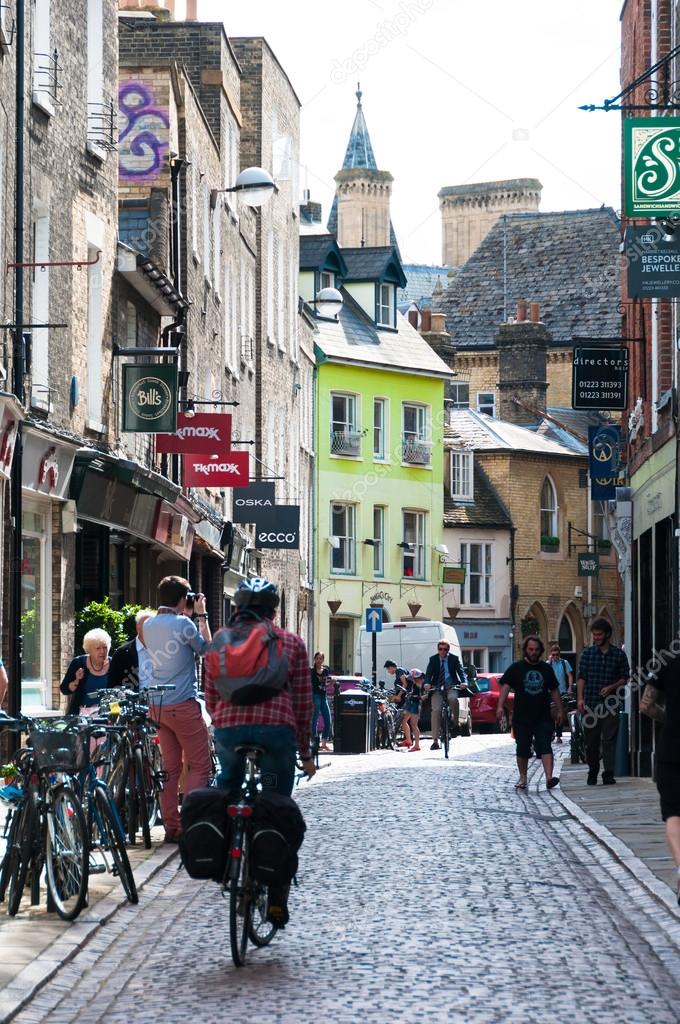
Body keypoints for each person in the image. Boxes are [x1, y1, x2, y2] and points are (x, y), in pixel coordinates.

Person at [204, 577, 314, 928]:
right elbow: (302, 704)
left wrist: (224, 724)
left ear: (236, 607)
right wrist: (306, 753)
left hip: (230, 733)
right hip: (275, 735)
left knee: (227, 790)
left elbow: (210, 698)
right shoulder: (291, 643)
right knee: (276, 805)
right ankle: (277, 896)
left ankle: (226, 863)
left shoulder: (217, 644)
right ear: (273, 611)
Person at [141, 576, 213, 844]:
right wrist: (202, 616)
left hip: (157, 705)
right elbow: (207, 649)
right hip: (183, 703)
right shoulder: (184, 623)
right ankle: (191, 823)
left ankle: (172, 825)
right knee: (200, 766)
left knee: (171, 768)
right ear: (184, 598)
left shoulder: (148, 625)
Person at [496, 635, 563, 790]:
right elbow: (505, 687)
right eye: (530, 649)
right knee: (522, 747)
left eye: (536, 650)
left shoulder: (546, 669)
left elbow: (554, 689)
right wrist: (500, 706)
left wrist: (560, 710)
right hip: (522, 715)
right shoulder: (516, 668)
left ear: (540, 651)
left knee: (545, 745)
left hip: (543, 715)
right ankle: (523, 778)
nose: (533, 652)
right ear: (525, 650)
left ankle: (549, 777)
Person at [640, 657, 680, 906]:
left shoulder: (670, 666)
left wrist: (671, 721)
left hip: (672, 751)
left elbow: (646, 705)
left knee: (674, 814)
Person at [576, 618, 629, 786]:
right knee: (591, 742)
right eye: (594, 635)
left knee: (609, 740)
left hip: (611, 705)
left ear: (607, 634)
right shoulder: (587, 654)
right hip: (591, 703)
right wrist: (580, 698)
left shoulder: (618, 655)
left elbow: (625, 678)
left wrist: (612, 687)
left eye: (599, 634)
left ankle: (608, 774)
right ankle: (593, 771)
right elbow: (582, 677)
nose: (596, 637)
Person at [424, 640, 467, 750]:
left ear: (448, 650)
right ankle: (435, 741)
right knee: (436, 711)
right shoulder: (433, 659)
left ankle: (456, 724)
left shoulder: (454, 659)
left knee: (453, 699)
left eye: (445, 649)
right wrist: (427, 683)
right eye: (440, 649)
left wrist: (464, 682)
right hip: (437, 688)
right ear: (438, 649)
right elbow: (428, 673)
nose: (443, 651)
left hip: (451, 686)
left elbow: (461, 672)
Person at [60, 628, 114, 714]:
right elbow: (64, 689)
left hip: (108, 715)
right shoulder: (78, 663)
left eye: (105, 647)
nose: (102, 651)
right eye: (98, 648)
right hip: (82, 715)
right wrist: (77, 680)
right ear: (89, 650)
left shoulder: (114, 664)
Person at [108, 609, 155, 691]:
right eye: (146, 625)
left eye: (153, 625)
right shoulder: (122, 653)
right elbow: (113, 685)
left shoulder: (162, 648)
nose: (149, 628)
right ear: (138, 627)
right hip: (135, 701)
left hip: (161, 700)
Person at [547, 643, 573, 744]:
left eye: (557, 654)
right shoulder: (548, 664)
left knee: (560, 713)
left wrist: (570, 687)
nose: (555, 657)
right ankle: (551, 732)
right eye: (553, 655)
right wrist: (549, 662)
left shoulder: (564, 663)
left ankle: (558, 735)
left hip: (561, 692)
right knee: (549, 714)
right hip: (549, 692)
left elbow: (569, 675)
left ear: (559, 654)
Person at [384, 661, 413, 747]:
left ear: (391, 667)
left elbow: (404, 684)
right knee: (404, 720)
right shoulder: (399, 672)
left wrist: (399, 696)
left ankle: (408, 740)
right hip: (405, 698)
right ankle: (408, 739)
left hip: (405, 698)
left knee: (403, 720)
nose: (388, 672)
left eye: (388, 669)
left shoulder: (399, 671)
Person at [310, 652, 333, 751]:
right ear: (314, 659)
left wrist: (332, 682)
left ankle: (323, 743)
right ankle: (315, 743)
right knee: (314, 720)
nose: (319, 660)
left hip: (323, 696)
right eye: (317, 658)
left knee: (328, 720)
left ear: (323, 660)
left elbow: (325, 685)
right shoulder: (311, 670)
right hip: (315, 696)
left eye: (320, 658)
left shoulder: (325, 671)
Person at [403, 669, 425, 751]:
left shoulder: (420, 683)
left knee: (414, 724)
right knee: (404, 721)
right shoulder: (415, 683)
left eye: (412, 677)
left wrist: (415, 696)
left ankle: (417, 745)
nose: (411, 679)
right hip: (412, 704)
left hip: (415, 704)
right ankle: (409, 741)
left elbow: (422, 696)